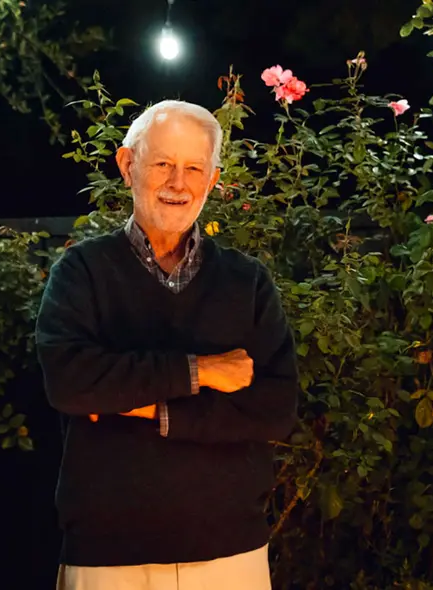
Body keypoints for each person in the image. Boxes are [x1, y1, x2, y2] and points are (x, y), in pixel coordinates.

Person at [36, 100, 299, 590]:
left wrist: (142, 408)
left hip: (230, 553)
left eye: (194, 168)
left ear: (213, 179)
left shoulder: (248, 282)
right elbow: (71, 383)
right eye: (162, 164)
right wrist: (200, 371)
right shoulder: (81, 273)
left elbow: (275, 409)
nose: (178, 183)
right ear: (126, 164)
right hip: (108, 554)